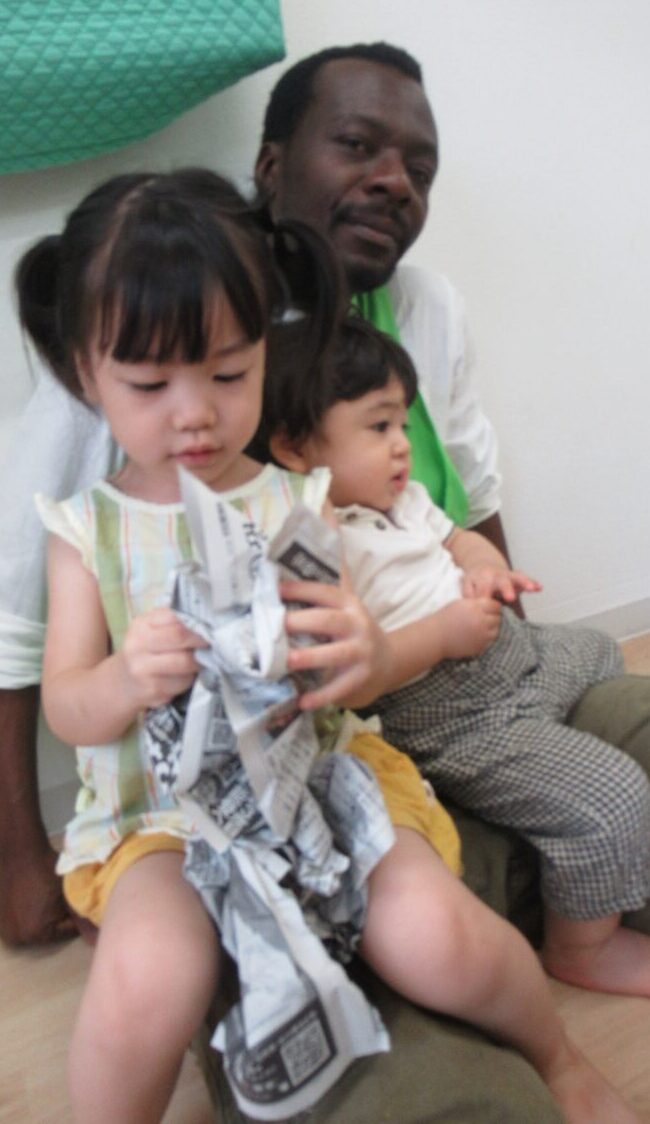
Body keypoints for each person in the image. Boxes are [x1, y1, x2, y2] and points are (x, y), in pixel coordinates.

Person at [1, 37, 648, 960]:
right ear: (272, 167)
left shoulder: (425, 307)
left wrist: (500, 620)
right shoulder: (132, 355)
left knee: (622, 760)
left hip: (443, 683)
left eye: (420, 169)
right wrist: (20, 855)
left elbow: (469, 494)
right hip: (333, 745)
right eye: (356, 145)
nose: (394, 183)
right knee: (421, 947)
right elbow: (21, 622)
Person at [265, 315, 650, 1002]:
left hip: (509, 659)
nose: (402, 444)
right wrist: (443, 634)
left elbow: (459, 540)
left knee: (597, 649)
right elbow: (354, 681)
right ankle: (582, 947)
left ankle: (546, 743)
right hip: (442, 712)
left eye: (402, 423)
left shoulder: (404, 500)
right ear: (295, 447)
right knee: (611, 796)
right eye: (378, 426)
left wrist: (485, 569)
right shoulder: (315, 539)